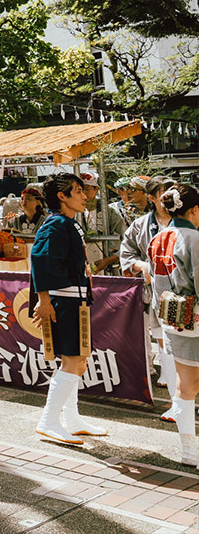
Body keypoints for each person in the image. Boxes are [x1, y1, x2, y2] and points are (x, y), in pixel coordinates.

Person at [30, 172, 107, 445]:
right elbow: (39, 259)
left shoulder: (66, 222)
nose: (84, 195)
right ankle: (49, 420)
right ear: (61, 196)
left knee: (79, 359)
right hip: (64, 299)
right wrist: (44, 300)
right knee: (73, 359)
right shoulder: (56, 224)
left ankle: (71, 418)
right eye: (77, 191)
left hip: (75, 297)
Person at [120, 175, 179, 421]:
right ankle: (178, 400)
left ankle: (182, 398)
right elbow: (126, 251)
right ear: (152, 198)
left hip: (187, 293)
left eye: (173, 192)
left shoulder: (188, 219)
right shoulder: (141, 225)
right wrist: (140, 265)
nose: (170, 198)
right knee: (164, 339)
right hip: (157, 292)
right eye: (165, 194)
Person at [149, 184, 199, 466]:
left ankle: (189, 450)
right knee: (189, 385)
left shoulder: (158, 238)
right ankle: (190, 451)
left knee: (184, 385)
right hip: (196, 317)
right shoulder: (194, 239)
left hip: (170, 317)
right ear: (194, 209)